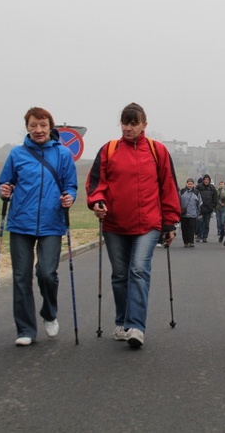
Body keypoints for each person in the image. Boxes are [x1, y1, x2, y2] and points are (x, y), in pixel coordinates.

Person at [86, 103, 180, 348]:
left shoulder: (157, 151)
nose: (128, 128)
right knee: (119, 274)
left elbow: (168, 186)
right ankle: (122, 321)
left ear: (144, 125)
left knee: (138, 269)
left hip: (148, 223)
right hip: (114, 223)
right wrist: (97, 202)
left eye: (133, 123)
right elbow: (97, 183)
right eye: (125, 123)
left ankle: (136, 326)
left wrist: (169, 222)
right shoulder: (109, 150)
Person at [0, 107, 77, 347]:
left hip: (52, 223)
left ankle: (49, 312)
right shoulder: (16, 154)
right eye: (33, 125)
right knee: (21, 277)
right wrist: (3, 191)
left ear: (50, 127)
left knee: (46, 274)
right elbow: (4, 184)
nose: (38, 130)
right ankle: (25, 329)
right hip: (21, 222)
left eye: (43, 125)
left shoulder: (63, 154)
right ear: (27, 127)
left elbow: (70, 186)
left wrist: (69, 197)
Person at [196, 174, 219, 242]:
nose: (206, 181)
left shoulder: (212, 188)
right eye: (205, 180)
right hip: (200, 208)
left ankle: (205, 236)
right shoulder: (199, 187)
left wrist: (213, 205)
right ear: (203, 180)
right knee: (200, 222)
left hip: (208, 209)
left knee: (206, 223)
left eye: (207, 180)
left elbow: (215, 197)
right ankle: (199, 235)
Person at [180, 177, 202, 248]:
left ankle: (191, 241)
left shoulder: (196, 192)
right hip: (184, 214)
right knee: (184, 229)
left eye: (191, 184)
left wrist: (199, 212)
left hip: (193, 214)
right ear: (186, 184)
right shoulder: (182, 191)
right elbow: (178, 201)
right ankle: (186, 242)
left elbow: (199, 203)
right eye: (188, 184)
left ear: (193, 185)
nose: (190, 185)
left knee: (192, 228)